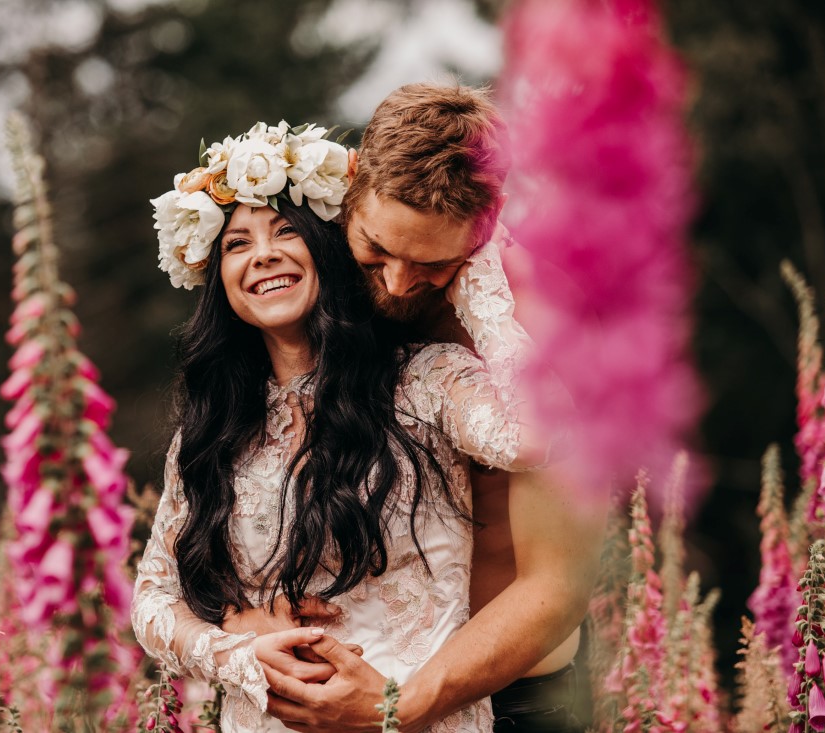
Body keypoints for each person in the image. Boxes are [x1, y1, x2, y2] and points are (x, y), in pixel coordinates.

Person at [133, 120, 546, 732]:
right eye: (236, 244)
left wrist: (479, 265)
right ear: (220, 280)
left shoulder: (428, 379)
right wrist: (234, 653)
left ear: (328, 249)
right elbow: (153, 600)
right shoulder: (212, 428)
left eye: (284, 232)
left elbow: (537, 437)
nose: (263, 253)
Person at [247, 85, 606, 733]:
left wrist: (396, 707)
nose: (396, 283)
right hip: (352, 693)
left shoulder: (549, 326)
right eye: (376, 249)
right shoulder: (318, 292)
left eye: (433, 263)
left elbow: (557, 586)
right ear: (351, 192)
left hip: (513, 703)